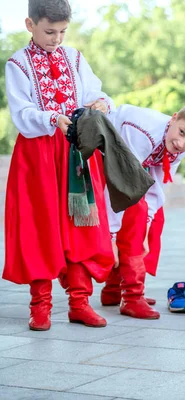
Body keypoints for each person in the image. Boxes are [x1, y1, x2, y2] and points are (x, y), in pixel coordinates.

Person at [2, 0, 115, 331]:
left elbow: (95, 91)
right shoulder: (17, 64)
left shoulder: (75, 57)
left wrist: (101, 103)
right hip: (37, 154)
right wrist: (52, 117)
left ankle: (79, 303)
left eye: (63, 31)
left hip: (75, 149)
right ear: (30, 24)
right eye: (50, 31)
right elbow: (22, 115)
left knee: (80, 221)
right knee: (41, 225)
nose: (57, 38)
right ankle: (40, 305)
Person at [100, 102, 185, 319]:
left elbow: (156, 186)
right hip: (98, 164)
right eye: (181, 132)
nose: (181, 143)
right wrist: (110, 235)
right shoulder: (142, 132)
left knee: (154, 219)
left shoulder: (177, 144)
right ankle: (132, 296)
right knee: (135, 212)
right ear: (174, 118)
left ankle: (114, 289)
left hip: (124, 175)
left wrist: (147, 228)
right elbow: (118, 190)